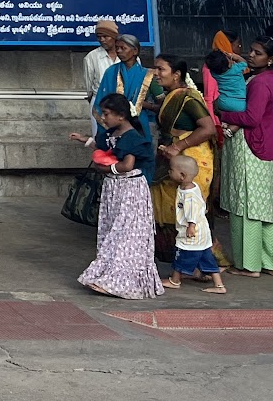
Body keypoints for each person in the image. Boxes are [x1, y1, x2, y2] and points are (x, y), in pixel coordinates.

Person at [70, 93, 163, 299]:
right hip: (115, 189)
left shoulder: (132, 138)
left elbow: (127, 165)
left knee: (125, 235)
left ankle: (121, 282)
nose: (103, 118)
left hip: (130, 189)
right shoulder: (113, 133)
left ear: (121, 115)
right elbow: (105, 147)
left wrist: (105, 169)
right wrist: (85, 140)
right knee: (111, 231)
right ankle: (108, 276)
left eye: (106, 114)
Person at [218, 36, 273, 276]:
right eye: (251, 51)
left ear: (271, 59)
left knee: (245, 206)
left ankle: (249, 265)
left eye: (258, 53)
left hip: (251, 147)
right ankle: (270, 263)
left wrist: (222, 114)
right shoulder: (268, 78)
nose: (251, 55)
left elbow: (251, 118)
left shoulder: (259, 83)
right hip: (264, 147)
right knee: (263, 207)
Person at [148, 57, 217, 238]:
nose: (156, 74)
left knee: (189, 210)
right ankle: (173, 249)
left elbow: (208, 128)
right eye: (155, 69)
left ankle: (198, 251)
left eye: (161, 69)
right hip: (172, 157)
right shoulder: (172, 95)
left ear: (176, 74)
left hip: (190, 158)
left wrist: (178, 146)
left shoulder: (188, 98)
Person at [161, 154, 226, 293]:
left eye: (171, 169)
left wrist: (191, 226)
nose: (169, 171)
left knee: (181, 254)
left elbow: (192, 212)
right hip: (202, 232)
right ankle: (219, 285)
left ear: (182, 175)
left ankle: (175, 280)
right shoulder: (193, 186)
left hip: (192, 232)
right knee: (206, 257)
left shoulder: (188, 195)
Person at [93, 34, 160, 145]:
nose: (119, 51)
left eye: (123, 48)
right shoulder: (111, 72)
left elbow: (162, 105)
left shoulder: (148, 75)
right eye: (117, 48)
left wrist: (144, 104)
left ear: (135, 51)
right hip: (115, 125)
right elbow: (101, 102)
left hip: (140, 126)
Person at [83, 21, 119, 100]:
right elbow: (89, 85)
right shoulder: (92, 57)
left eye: (105, 36)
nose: (102, 40)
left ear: (114, 37)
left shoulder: (128, 56)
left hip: (123, 101)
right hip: (99, 99)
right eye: (99, 37)